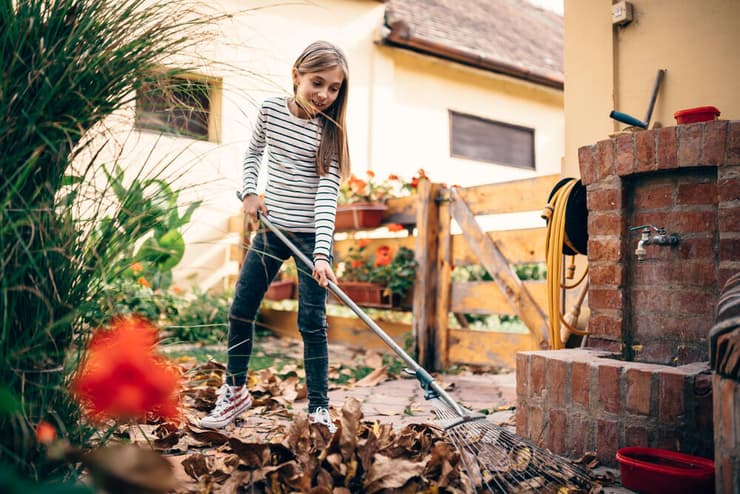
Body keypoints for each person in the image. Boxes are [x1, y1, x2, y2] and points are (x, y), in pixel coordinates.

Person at [199, 41, 351, 433]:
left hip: (310, 237)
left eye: (334, 88)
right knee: (241, 308)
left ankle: (319, 408)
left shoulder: (330, 133)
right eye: (318, 82)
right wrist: (250, 192)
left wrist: (321, 255)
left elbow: (326, 196)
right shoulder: (270, 111)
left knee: (311, 323)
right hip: (272, 230)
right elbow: (253, 155)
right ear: (296, 74)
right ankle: (235, 392)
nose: (325, 95)